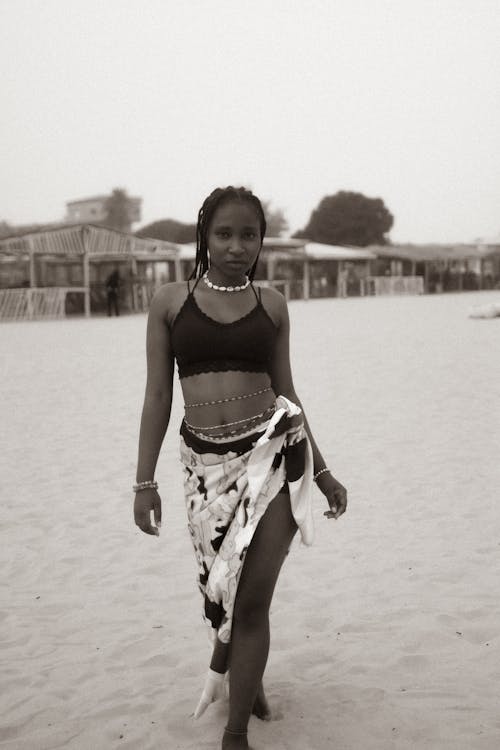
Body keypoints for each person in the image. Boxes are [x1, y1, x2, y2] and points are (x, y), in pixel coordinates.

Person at [133, 186, 347, 749]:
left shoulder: (272, 303)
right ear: (204, 236)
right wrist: (143, 482)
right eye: (224, 234)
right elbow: (158, 396)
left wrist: (321, 472)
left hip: (272, 459)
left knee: (252, 599)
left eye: (248, 235)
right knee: (221, 588)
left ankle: (234, 735)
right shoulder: (169, 302)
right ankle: (244, 680)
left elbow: (288, 392)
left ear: (261, 240)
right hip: (202, 471)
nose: (236, 246)